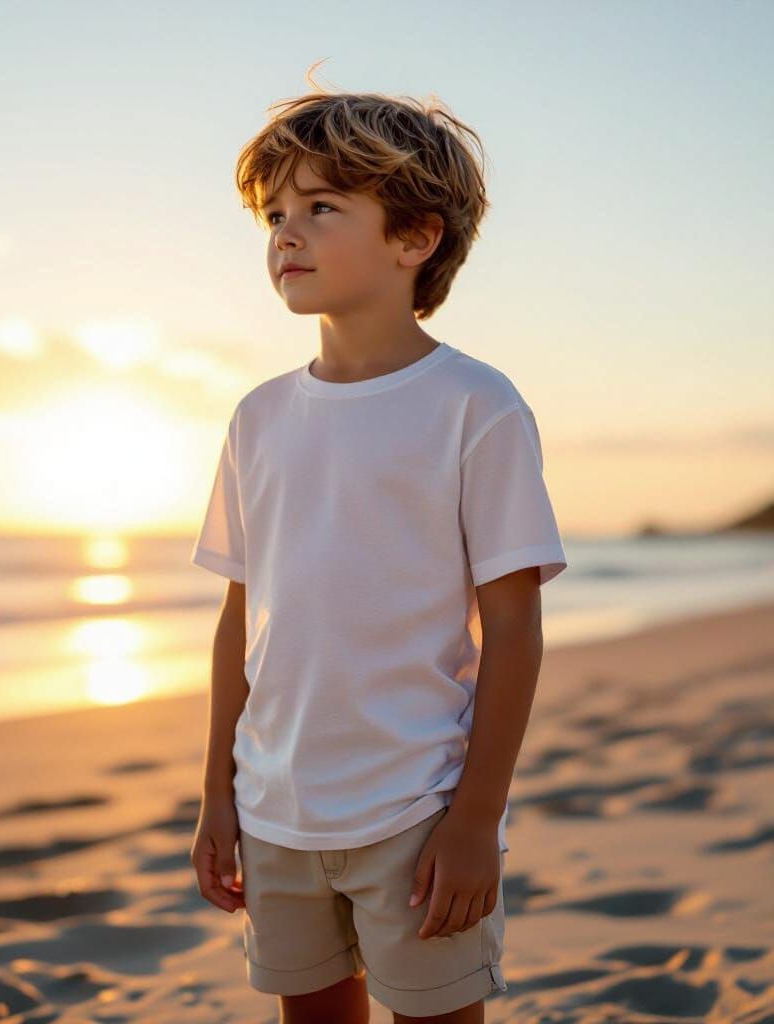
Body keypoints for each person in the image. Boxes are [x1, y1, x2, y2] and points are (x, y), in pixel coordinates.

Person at [189, 84, 568, 1024]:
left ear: (415, 240)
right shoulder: (258, 418)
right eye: (275, 213)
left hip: (417, 810)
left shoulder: (475, 407)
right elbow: (241, 618)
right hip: (275, 810)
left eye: (321, 208)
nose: (286, 233)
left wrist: (477, 820)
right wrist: (215, 796)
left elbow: (514, 628)